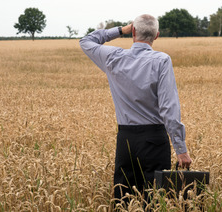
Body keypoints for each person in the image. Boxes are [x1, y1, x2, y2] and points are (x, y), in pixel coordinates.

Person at [79, 14, 192, 203]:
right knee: (156, 199)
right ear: (156, 36)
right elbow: (168, 107)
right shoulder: (162, 60)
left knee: (124, 199)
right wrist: (180, 148)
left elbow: (87, 41)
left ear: (133, 31)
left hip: (126, 140)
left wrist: (120, 30)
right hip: (155, 139)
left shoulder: (113, 57)